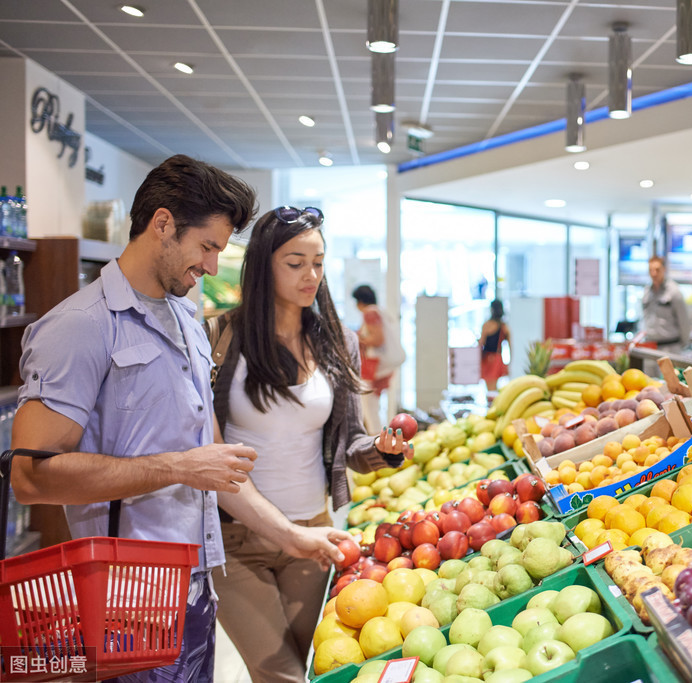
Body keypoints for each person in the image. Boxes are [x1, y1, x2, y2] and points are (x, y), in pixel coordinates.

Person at [8, 155, 407, 683]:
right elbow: (30, 477)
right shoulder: (80, 327)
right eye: (208, 247)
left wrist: (291, 535)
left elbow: (214, 467)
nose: (214, 267)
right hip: (127, 600)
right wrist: (177, 467)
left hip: (196, 586)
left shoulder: (186, 322)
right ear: (163, 224)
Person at [206, 208, 409, 683]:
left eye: (318, 262)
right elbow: (204, 445)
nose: (310, 275)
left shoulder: (337, 340)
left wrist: (382, 448)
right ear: (263, 265)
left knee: (323, 666)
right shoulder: (218, 337)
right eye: (295, 262)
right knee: (279, 674)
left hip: (314, 531)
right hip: (236, 541)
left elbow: (351, 443)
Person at [352, 284, 397, 433]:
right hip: (381, 366)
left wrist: (358, 339)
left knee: (369, 406)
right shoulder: (379, 312)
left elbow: (378, 339)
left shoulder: (369, 313)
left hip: (374, 367)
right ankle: (377, 437)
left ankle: (375, 440)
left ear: (360, 301)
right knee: (372, 406)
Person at [642, 255, 692, 358]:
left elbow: (684, 321)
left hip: (670, 348)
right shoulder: (647, 292)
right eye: (651, 270)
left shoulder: (673, 292)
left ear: (664, 270)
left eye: (657, 270)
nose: (654, 273)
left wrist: (683, 343)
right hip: (650, 347)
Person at [480, 299, 510, 391]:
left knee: (489, 387)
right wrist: (509, 364)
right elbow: (510, 346)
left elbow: (481, 343)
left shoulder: (486, 325)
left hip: (486, 358)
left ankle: (491, 403)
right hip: (497, 358)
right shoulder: (504, 327)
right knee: (493, 387)